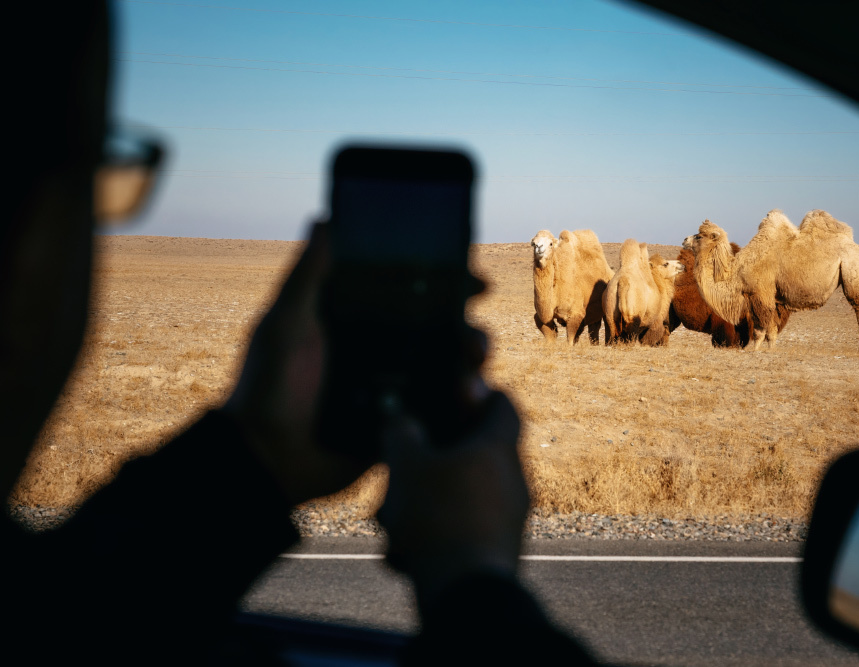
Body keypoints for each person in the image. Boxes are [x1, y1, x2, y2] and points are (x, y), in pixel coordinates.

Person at [1, 2, 598, 664]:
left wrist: (260, 452)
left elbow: (71, 620)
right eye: (95, 167)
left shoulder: (31, 613)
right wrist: (471, 580)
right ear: (27, 240)